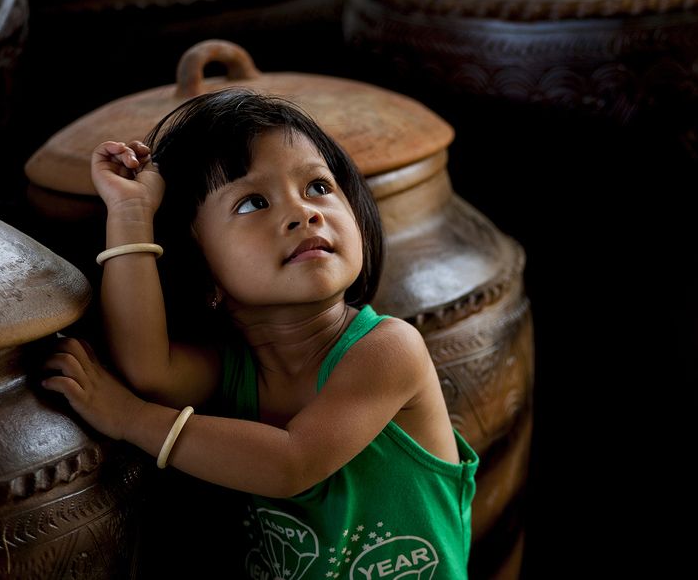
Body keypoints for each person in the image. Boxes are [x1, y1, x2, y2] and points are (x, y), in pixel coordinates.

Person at [42, 88, 478, 579]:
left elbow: (290, 463)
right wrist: (129, 212)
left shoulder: (388, 349)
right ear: (205, 274)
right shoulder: (235, 368)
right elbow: (146, 368)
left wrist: (131, 418)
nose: (303, 212)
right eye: (253, 202)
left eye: (317, 187)